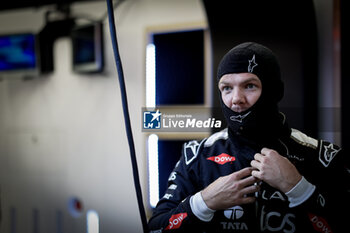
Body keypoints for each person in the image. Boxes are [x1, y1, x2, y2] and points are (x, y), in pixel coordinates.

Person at [147, 42, 349, 232]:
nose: (236, 99)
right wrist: (204, 201)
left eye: (249, 86)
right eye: (227, 88)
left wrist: (298, 188)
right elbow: (156, 227)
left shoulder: (324, 156)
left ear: (275, 91)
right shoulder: (197, 155)